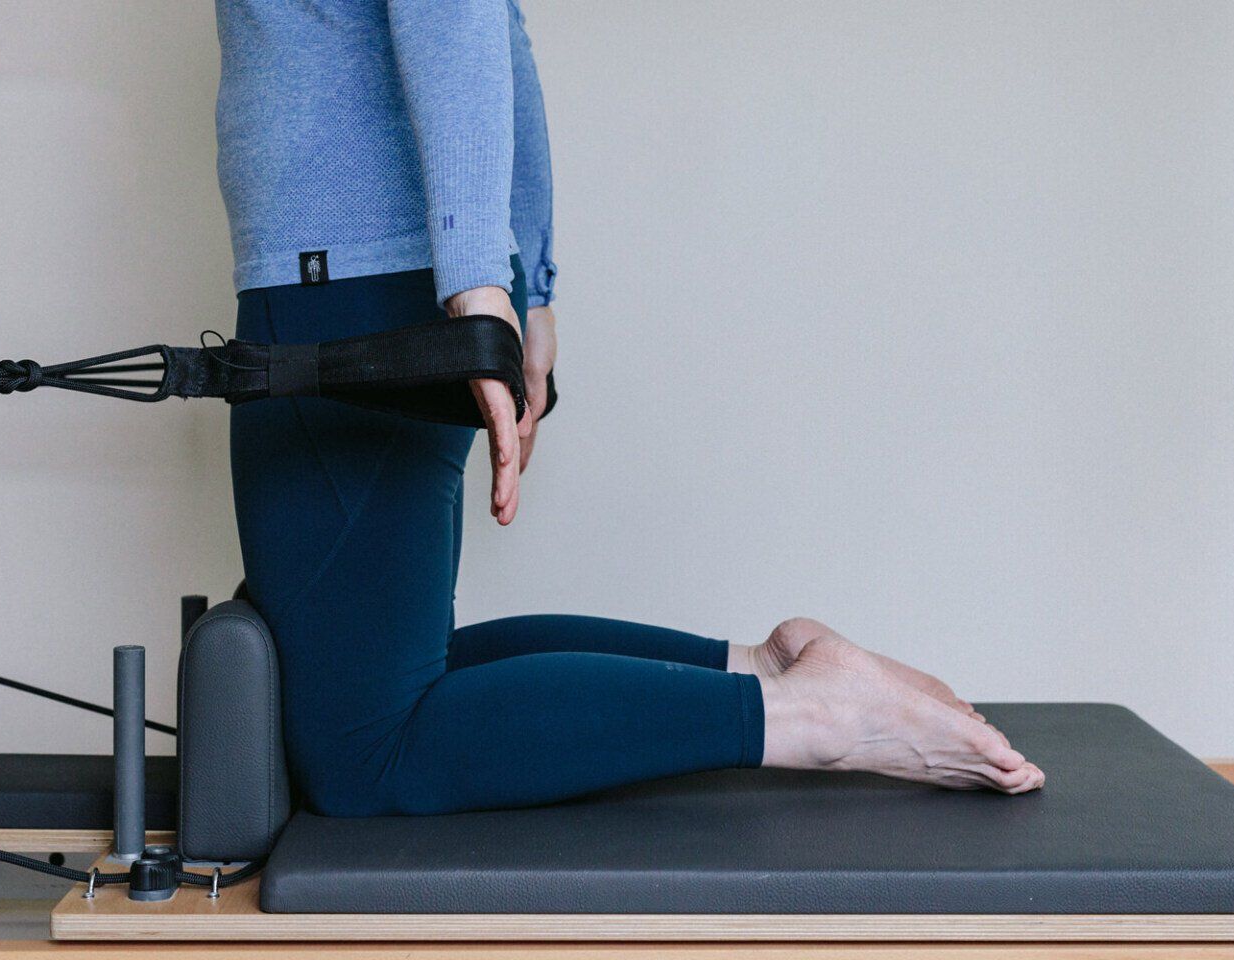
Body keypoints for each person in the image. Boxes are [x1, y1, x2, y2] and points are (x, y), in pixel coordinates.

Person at [215, 0, 1044, 817]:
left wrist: (482, 286)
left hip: (340, 286)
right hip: (367, 285)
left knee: (364, 750)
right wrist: (521, 285)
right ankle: (763, 672)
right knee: (405, 680)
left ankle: (810, 716)